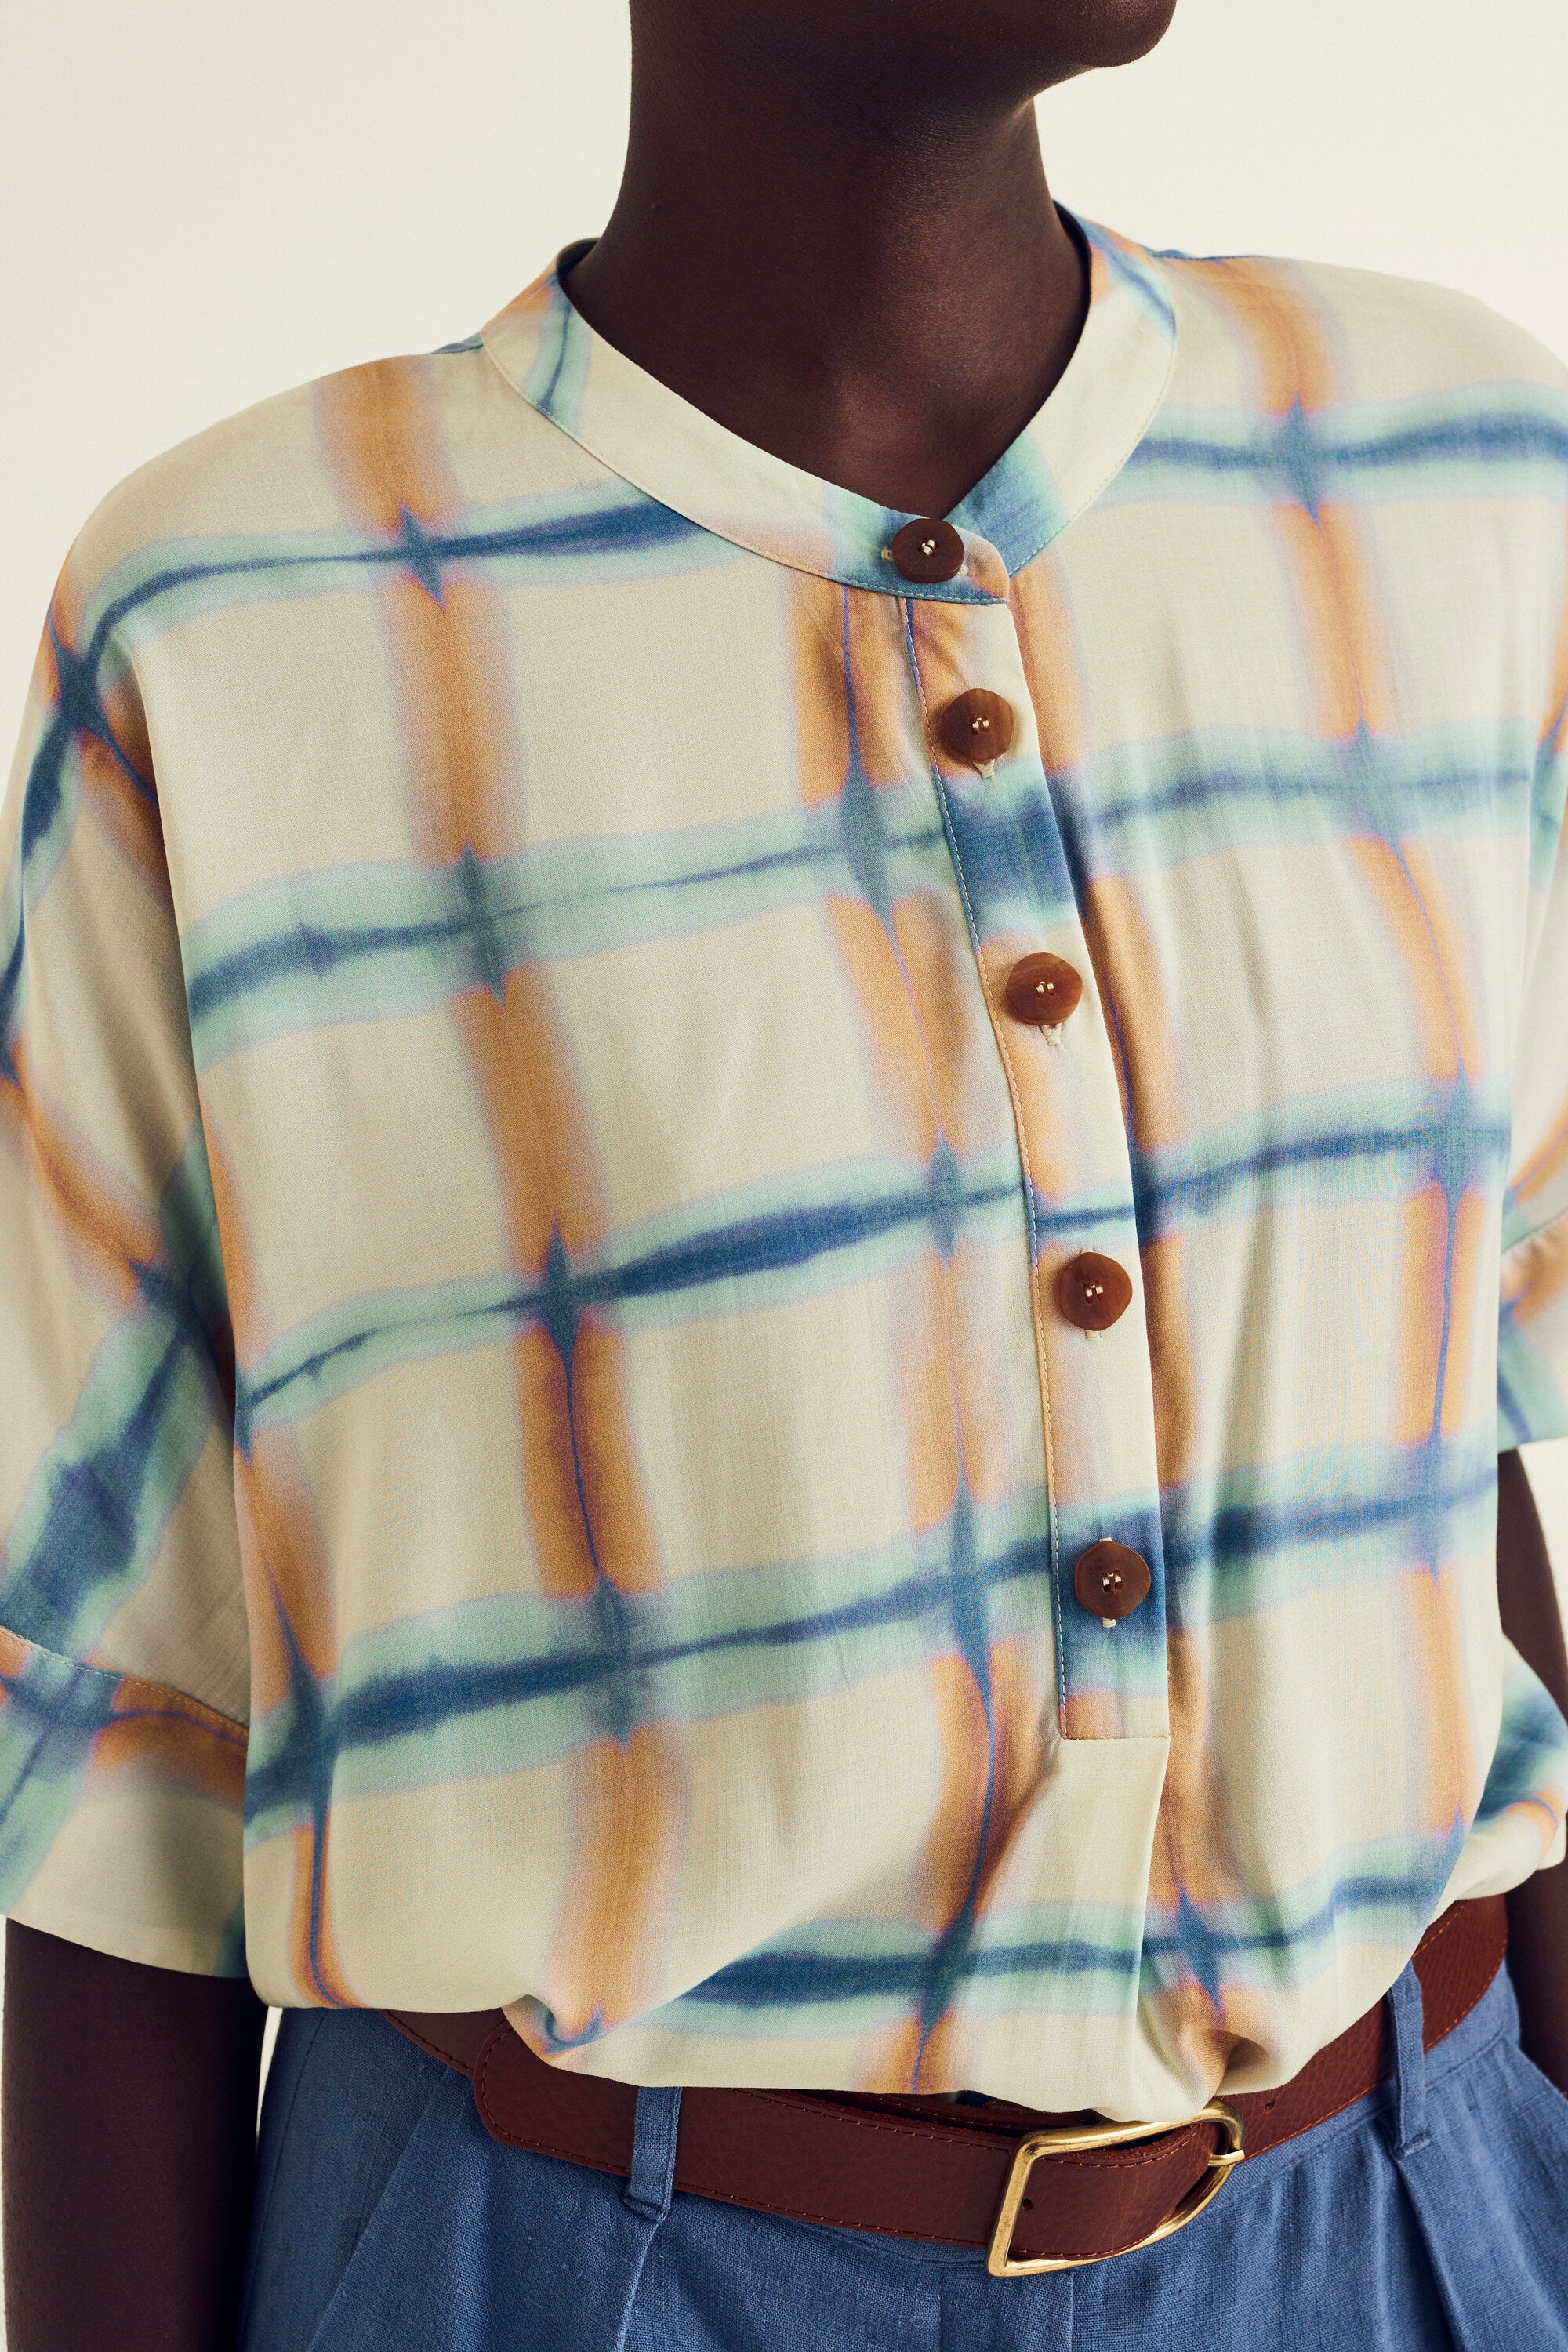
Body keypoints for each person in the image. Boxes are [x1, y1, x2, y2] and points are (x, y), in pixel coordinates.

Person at [3, 1, 1568, 2345]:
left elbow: (1467, 1424)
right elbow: (116, 1733)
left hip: (1420, 2208)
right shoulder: (237, 621)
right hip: (568, 2265)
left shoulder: (1454, 473)